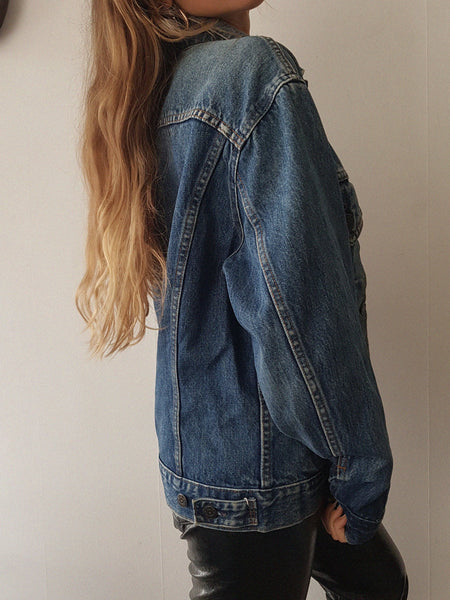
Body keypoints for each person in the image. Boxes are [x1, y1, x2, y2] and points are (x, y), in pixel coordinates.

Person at [76, 1, 409, 598]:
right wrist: (358, 471)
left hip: (226, 453)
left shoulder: (158, 87)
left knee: (380, 585)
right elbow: (299, 302)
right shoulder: (250, 75)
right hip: (266, 466)